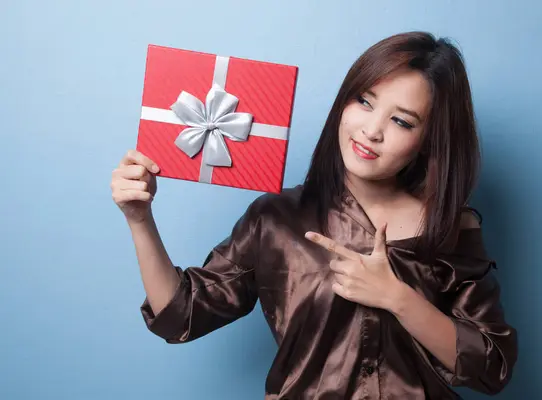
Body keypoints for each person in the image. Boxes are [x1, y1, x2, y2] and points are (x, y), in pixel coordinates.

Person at [111, 31, 518, 399]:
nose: (371, 131)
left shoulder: (451, 228)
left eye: (400, 121)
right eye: (364, 101)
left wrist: (396, 297)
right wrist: (139, 219)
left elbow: (492, 367)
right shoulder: (276, 217)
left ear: (428, 141)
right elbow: (180, 317)